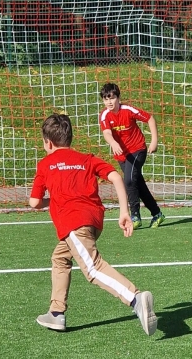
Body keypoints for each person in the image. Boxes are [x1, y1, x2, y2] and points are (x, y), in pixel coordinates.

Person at [29, 113, 158, 336]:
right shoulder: (86, 159)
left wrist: (54, 200)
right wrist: (124, 212)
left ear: (48, 143)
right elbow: (116, 177)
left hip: (73, 223)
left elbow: (34, 202)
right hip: (93, 222)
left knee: (93, 268)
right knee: (60, 258)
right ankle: (56, 312)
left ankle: (135, 298)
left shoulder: (45, 164)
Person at [99, 82, 166, 229]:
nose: (109, 102)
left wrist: (154, 141)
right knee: (137, 184)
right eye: (105, 99)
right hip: (122, 155)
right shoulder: (104, 115)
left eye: (112, 98)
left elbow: (149, 118)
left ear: (118, 98)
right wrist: (113, 143)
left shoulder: (128, 110)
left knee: (129, 180)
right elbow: (107, 133)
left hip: (137, 149)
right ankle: (157, 213)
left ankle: (135, 216)